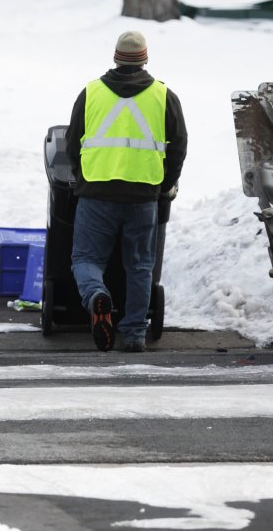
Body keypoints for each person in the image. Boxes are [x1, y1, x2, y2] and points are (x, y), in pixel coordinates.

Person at [66, 30, 187, 353]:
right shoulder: (164, 96)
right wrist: (164, 185)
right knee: (139, 266)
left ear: (115, 57)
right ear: (145, 58)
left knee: (86, 258)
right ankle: (133, 333)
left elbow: (72, 141)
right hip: (143, 196)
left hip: (96, 193)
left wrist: (83, 178)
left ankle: (96, 297)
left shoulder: (91, 92)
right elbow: (178, 147)